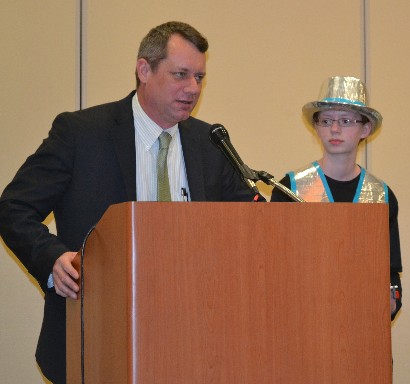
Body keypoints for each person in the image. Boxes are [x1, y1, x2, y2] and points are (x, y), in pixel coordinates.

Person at [0, 21, 261, 383]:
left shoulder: (210, 143)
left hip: (195, 337)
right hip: (98, 330)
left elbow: (251, 219)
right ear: (144, 69)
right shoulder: (81, 133)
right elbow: (14, 207)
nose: (193, 88)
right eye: (181, 74)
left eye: (199, 77)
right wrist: (53, 259)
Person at [270, 76, 402, 319]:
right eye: (326, 120)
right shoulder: (290, 188)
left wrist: (392, 301)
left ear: (365, 129)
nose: (334, 129)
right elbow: (274, 265)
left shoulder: (382, 194)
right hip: (302, 319)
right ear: (316, 127)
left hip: (363, 321)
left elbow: (390, 271)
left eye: (346, 121)